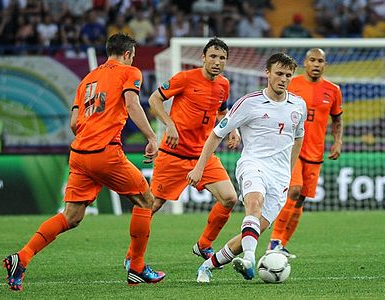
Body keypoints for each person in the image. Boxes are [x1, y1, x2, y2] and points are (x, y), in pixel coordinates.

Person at [3, 33, 165, 291]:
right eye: (132, 55)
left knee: (71, 216)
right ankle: (136, 267)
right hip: (105, 152)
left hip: (79, 154)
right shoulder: (130, 72)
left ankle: (21, 258)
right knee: (146, 200)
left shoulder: (87, 80)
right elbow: (133, 103)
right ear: (127, 54)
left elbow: (74, 123)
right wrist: (152, 137)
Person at [123, 37, 241, 270]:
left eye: (222, 58)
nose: (217, 62)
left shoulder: (223, 84)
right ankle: (132, 257)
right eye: (213, 56)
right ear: (203, 58)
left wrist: (233, 129)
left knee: (230, 198)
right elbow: (155, 99)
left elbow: (222, 110)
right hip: (174, 155)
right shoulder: (185, 79)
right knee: (151, 205)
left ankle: (204, 244)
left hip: (203, 156)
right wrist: (170, 124)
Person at [188, 52, 306, 283]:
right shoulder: (249, 103)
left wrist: (289, 173)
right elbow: (216, 134)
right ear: (267, 73)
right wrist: (199, 167)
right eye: (279, 73)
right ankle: (251, 260)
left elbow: (298, 138)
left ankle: (206, 266)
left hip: (280, 177)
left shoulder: (298, 105)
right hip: (253, 164)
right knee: (254, 202)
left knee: (249, 234)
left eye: (288, 75)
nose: (283, 79)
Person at [268, 48, 343, 256]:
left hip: (315, 153)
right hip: (292, 148)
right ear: (305, 63)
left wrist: (338, 141)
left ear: (325, 65)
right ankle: (273, 241)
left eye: (320, 61)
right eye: (312, 60)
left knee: (301, 198)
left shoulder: (333, 90)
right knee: (294, 189)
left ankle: (281, 244)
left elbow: (336, 118)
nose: (316, 64)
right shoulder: (293, 84)